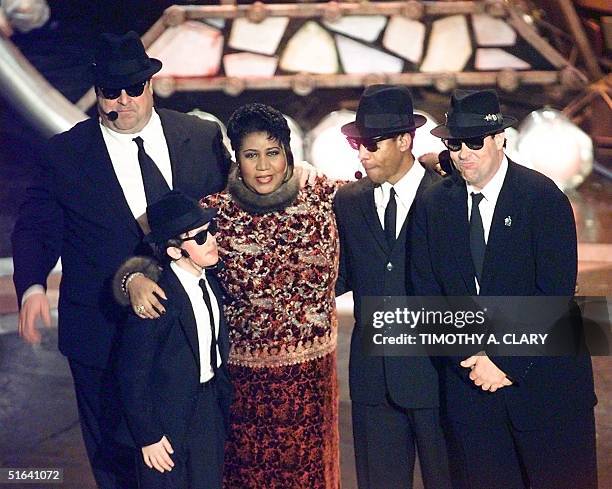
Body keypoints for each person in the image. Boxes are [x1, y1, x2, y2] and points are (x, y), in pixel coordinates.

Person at [11, 31, 231, 488]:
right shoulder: (66, 154)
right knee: (115, 465)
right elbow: (36, 227)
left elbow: (236, 205)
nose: (123, 101)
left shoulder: (201, 137)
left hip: (184, 341)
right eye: (111, 92)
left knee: (192, 464)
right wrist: (32, 286)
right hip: (100, 335)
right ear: (97, 93)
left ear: (151, 85)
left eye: (134, 88)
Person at [118, 103, 340, 489]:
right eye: (251, 155)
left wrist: (436, 162)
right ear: (235, 157)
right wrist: (132, 279)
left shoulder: (321, 192)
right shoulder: (214, 213)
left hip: (311, 384)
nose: (263, 166)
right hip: (243, 388)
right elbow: (159, 257)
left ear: (288, 151)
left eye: (273, 152)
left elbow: (382, 199)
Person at [411, 89, 597, 489]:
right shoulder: (433, 204)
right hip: (471, 394)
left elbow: (554, 294)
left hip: (546, 393)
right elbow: (426, 292)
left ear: (499, 140)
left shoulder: (543, 198)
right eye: (454, 144)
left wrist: (503, 361)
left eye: (474, 142)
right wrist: (471, 355)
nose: (463, 153)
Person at [334, 84, 451, 489]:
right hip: (373, 385)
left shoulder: (449, 197)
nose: (362, 154)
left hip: (439, 379)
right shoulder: (347, 201)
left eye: (371, 144)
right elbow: (336, 276)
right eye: (356, 143)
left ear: (405, 140)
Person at [115, 190, 232, 489]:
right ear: (174, 250)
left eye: (212, 230)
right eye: (200, 237)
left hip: (208, 409)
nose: (213, 240)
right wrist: (148, 436)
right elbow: (132, 374)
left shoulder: (212, 283)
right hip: (166, 418)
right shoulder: (157, 298)